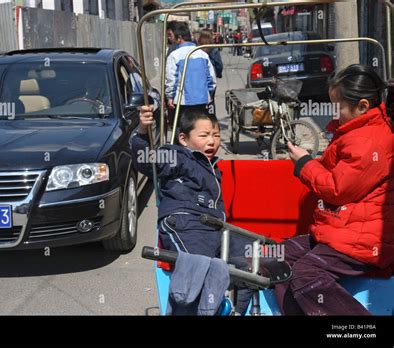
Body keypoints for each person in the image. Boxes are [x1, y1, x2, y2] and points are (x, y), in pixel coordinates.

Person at [275, 64, 394, 315]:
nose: (334, 112)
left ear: (362, 106)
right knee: (276, 258)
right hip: (339, 230)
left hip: (363, 238)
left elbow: (337, 189)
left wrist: (304, 164)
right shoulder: (355, 131)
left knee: (306, 275)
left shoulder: (368, 141)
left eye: (338, 105)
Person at [132, 106, 253, 315]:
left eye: (216, 135)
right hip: (186, 223)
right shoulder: (177, 155)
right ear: (183, 138)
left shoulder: (213, 167)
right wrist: (143, 130)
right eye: (204, 135)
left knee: (252, 259)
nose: (212, 141)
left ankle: (235, 311)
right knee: (198, 267)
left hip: (216, 228)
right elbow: (146, 161)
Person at [165, 23, 216, 117]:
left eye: (170, 35)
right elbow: (211, 80)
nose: (169, 38)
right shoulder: (202, 54)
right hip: (202, 101)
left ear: (179, 37)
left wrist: (170, 97)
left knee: (184, 128)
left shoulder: (174, 55)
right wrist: (208, 94)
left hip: (183, 102)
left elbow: (171, 80)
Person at [198, 29, 223, 116]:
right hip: (211, 77)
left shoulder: (197, 48)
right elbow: (219, 64)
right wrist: (219, 74)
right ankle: (211, 119)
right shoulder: (213, 49)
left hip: (199, 76)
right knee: (211, 100)